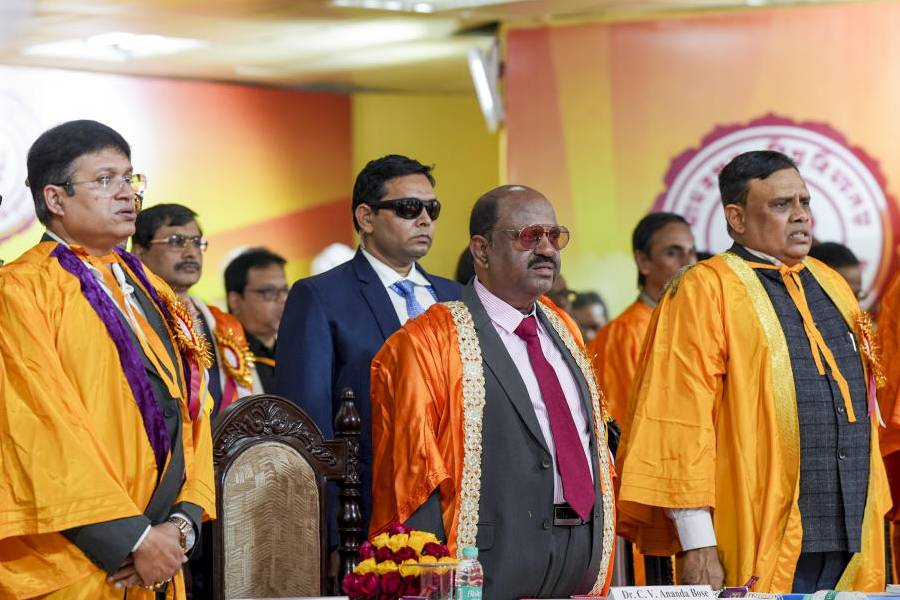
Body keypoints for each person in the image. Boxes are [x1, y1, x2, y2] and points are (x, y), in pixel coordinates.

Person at [616, 150, 890, 592]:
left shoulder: (832, 285)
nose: (801, 216)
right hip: (757, 526)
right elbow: (680, 422)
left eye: (804, 202)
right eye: (782, 205)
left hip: (850, 527)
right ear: (737, 218)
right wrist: (698, 543)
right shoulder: (704, 288)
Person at [0, 119, 215, 597]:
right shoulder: (20, 290)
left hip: (163, 552)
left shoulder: (153, 287)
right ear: (55, 199)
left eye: (129, 178)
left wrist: (182, 524)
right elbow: (37, 423)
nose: (126, 194)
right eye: (105, 180)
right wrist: (130, 538)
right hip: (75, 555)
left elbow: (194, 410)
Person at [369, 184, 616, 600]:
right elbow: (411, 480)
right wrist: (430, 580)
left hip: (579, 556)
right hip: (485, 564)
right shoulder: (428, 342)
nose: (546, 249)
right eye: (528, 236)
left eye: (554, 236)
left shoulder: (563, 328)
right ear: (481, 250)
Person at [275, 154, 461, 536]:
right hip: (365, 511)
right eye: (409, 208)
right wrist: (321, 531)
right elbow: (305, 426)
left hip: (459, 506)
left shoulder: (457, 298)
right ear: (366, 217)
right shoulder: (321, 296)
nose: (425, 219)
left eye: (432, 208)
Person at [133, 204, 264, 416]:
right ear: (139, 253)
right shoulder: (132, 316)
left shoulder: (223, 322)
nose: (191, 253)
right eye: (176, 242)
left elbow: (254, 399)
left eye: (196, 242)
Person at [589, 212, 696, 425]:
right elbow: (626, 425)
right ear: (643, 261)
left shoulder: (693, 324)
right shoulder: (626, 333)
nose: (689, 262)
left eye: (691, 252)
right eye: (673, 253)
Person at [225, 247, 288, 394]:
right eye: (269, 292)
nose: (282, 299)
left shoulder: (290, 350)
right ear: (235, 301)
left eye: (285, 290)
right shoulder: (225, 356)